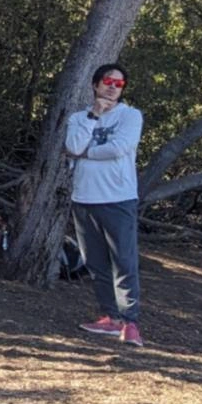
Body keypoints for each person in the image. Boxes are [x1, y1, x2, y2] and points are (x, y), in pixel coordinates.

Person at [65, 63, 146, 347]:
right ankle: (109, 317)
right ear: (96, 84)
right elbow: (73, 145)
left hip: (118, 198)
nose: (113, 87)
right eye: (108, 81)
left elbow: (119, 148)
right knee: (95, 262)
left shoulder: (130, 116)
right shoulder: (79, 117)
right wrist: (93, 115)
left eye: (119, 84)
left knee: (124, 260)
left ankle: (130, 321)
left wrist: (86, 152)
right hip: (84, 198)